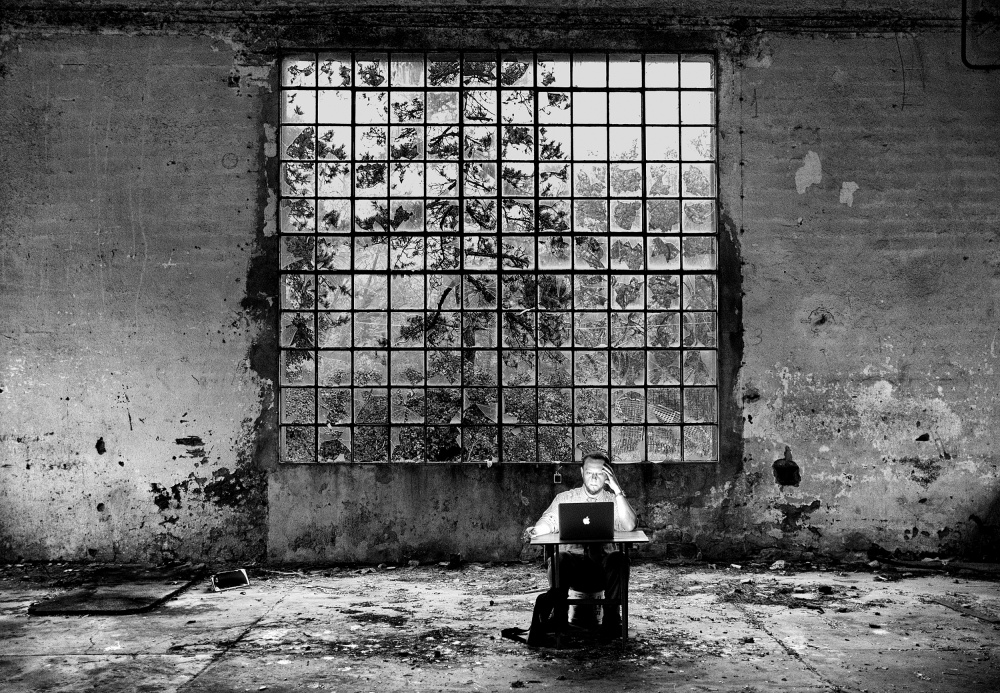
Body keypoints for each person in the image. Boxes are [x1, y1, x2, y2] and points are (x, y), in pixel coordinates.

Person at [523, 452, 637, 639]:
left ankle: (612, 621)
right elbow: (549, 521)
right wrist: (537, 530)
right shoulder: (566, 498)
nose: (594, 478)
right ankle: (558, 617)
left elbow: (630, 525)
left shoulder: (614, 501)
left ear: (608, 475)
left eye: (599, 473)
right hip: (571, 568)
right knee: (559, 558)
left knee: (619, 559)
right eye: (589, 473)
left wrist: (617, 490)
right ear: (582, 472)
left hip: (604, 569)